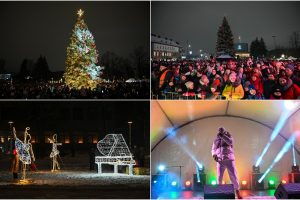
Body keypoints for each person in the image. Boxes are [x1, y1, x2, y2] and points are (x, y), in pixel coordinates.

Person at [211, 127, 242, 199]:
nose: (220, 132)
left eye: (221, 131)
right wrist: (214, 155)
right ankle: (219, 193)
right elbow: (213, 149)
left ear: (224, 131)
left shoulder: (229, 137)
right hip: (220, 160)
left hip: (229, 159)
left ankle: (237, 193)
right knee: (219, 177)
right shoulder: (216, 140)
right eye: (219, 131)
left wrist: (222, 136)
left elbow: (230, 142)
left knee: (234, 176)